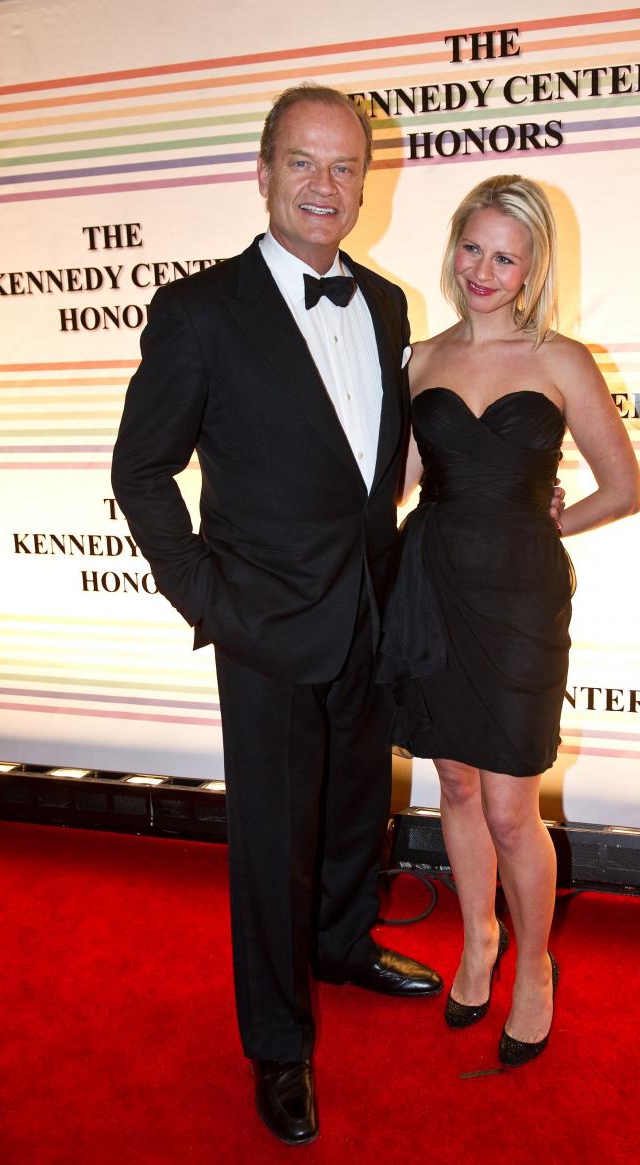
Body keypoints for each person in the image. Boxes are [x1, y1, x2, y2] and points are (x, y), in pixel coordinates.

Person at [111, 85, 445, 1147]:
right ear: (262, 174)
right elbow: (143, 471)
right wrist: (209, 597)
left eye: (345, 167)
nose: (326, 186)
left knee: (357, 803)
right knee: (272, 841)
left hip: (368, 610)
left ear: (365, 183)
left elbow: (367, 467)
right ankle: (277, 1042)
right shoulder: (201, 311)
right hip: (263, 624)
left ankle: (345, 941)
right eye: (304, 163)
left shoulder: (388, 304)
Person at [377, 175, 640, 1067]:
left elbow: (622, 487)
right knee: (453, 784)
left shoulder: (562, 359)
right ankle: (477, 940)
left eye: (505, 256)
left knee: (509, 801)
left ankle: (534, 966)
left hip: (522, 595)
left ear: (531, 269)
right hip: (435, 584)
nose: (483, 270)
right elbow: (401, 482)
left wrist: (544, 522)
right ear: (453, 246)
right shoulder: (416, 359)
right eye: (472, 248)